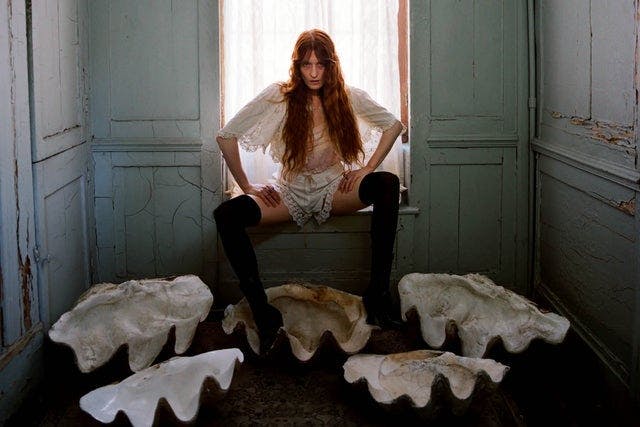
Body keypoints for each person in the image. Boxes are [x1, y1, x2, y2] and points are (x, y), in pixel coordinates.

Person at [214, 29, 405, 354]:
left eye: (320, 64)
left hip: (334, 187)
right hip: (290, 191)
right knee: (226, 214)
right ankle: (264, 312)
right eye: (307, 64)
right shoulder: (279, 96)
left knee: (387, 184)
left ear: (331, 65)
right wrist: (246, 185)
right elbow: (226, 136)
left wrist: (367, 168)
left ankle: (377, 295)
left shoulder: (347, 96)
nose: (314, 72)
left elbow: (393, 125)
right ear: (297, 66)